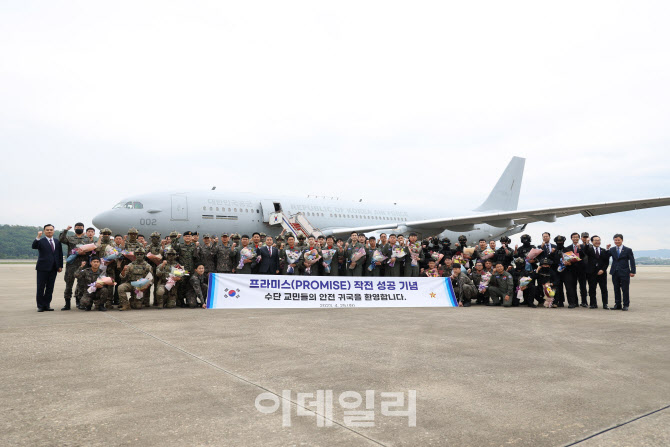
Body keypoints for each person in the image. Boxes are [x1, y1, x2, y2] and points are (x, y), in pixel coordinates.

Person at [58, 222, 90, 310]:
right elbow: (61, 239)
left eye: (80, 227)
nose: (79, 228)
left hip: (82, 265)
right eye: (77, 227)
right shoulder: (70, 238)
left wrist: (85, 252)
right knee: (69, 284)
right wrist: (66, 230)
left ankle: (79, 302)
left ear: (83, 228)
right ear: (74, 228)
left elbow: (92, 250)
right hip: (71, 266)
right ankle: (67, 304)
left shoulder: (87, 239)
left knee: (81, 285)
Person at [32, 224, 63, 312]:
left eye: (51, 230)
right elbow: (34, 246)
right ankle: (40, 306)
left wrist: (60, 266)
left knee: (50, 287)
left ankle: (47, 305)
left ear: (53, 231)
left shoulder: (57, 241)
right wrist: (38, 236)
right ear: (44, 231)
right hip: (42, 268)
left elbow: (59, 254)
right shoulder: (41, 241)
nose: (49, 231)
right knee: (41, 287)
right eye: (47, 230)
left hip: (54, 268)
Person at [582, 235, 611, 309]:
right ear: (592, 241)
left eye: (599, 240)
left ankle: (605, 304)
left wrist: (603, 270)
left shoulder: (604, 250)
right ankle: (593, 304)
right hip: (591, 273)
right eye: (595, 240)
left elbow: (606, 262)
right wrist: (587, 243)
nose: (597, 242)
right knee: (592, 289)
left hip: (602, 273)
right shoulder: (589, 250)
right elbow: (584, 251)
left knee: (604, 289)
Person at [609, 234, 636, 311]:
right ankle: (617, 304)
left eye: (618, 240)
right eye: (615, 240)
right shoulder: (612, 249)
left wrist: (632, 271)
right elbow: (605, 256)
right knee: (616, 289)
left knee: (625, 289)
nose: (617, 241)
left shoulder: (628, 250)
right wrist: (607, 249)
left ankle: (626, 305)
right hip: (615, 272)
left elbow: (632, 261)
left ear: (622, 240)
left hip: (624, 272)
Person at [563, 232, 586, 308]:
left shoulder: (583, 246)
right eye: (573, 237)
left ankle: (584, 302)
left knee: (583, 286)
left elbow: (584, 256)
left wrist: (580, 249)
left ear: (579, 238)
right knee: (572, 286)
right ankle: (574, 302)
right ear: (571, 238)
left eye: (576, 237)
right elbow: (566, 258)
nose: (575, 238)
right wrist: (567, 262)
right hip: (571, 269)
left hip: (581, 269)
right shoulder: (567, 248)